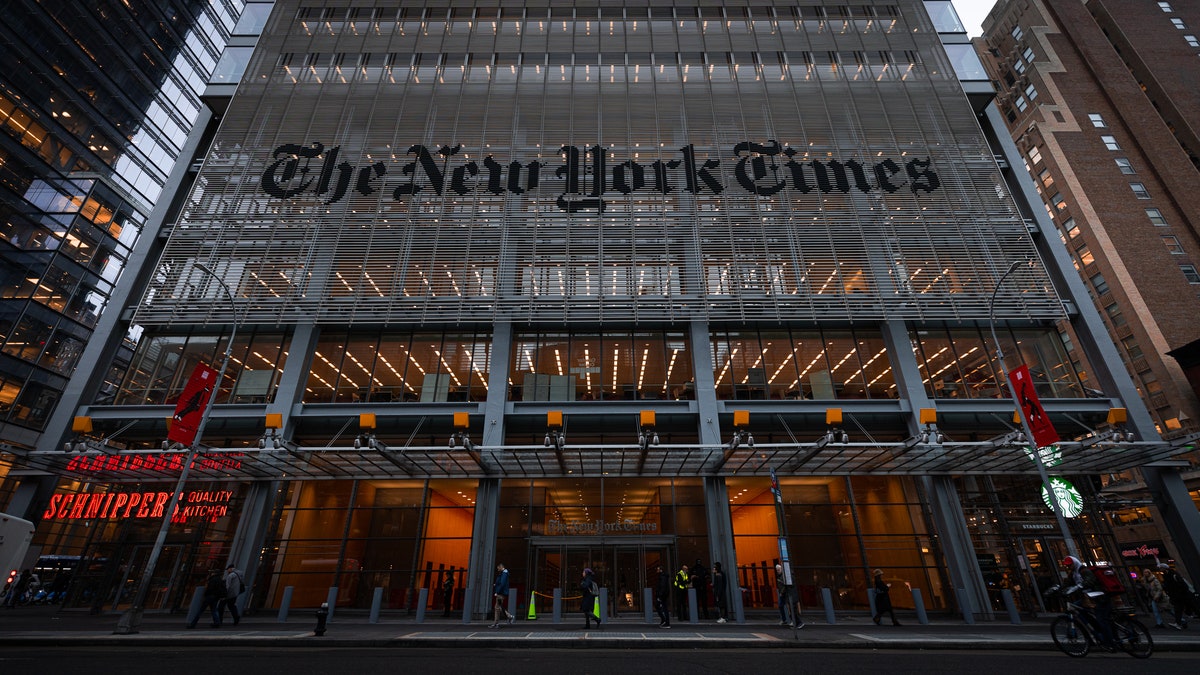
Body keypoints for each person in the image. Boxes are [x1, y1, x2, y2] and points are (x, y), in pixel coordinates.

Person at [1061, 556, 1112, 647]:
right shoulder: (1073, 574)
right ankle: (1092, 629)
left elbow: (1090, 581)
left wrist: (1079, 586)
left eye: (1070, 565)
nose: (1069, 567)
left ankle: (1109, 642)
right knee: (1076, 608)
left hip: (1098, 597)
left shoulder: (1084, 571)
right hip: (1087, 598)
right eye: (1067, 566)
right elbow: (1067, 583)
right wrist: (1059, 589)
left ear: (1075, 563)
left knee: (1102, 619)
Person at [1160, 562, 1200, 629]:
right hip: (1180, 596)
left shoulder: (1173, 575)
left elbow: (1183, 585)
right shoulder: (1169, 575)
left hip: (1181, 596)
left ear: (1164, 568)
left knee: (1191, 608)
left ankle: (1178, 623)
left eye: (1161, 568)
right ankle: (1178, 623)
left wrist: (1178, 593)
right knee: (1179, 609)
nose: (1160, 569)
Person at [489, 562, 513, 628]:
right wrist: (496, 585)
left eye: (498, 568)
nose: (497, 570)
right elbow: (501, 583)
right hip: (501, 593)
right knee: (499, 607)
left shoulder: (504, 574)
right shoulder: (503, 574)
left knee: (497, 608)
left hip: (501, 593)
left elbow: (502, 584)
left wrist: (497, 591)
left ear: (501, 567)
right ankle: (509, 616)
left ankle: (496, 623)